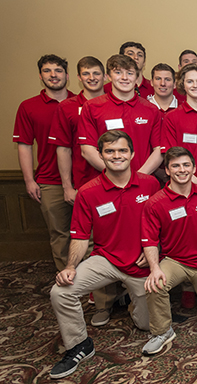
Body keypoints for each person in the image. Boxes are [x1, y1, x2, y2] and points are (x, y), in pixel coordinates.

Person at [49, 130, 160, 379]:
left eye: (122, 150)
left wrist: (154, 252)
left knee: (146, 325)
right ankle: (79, 345)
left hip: (141, 261)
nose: (116, 155)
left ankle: (129, 300)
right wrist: (70, 267)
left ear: (132, 154)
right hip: (106, 259)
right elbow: (79, 236)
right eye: (109, 151)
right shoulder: (88, 192)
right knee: (61, 291)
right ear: (101, 155)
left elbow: (162, 224)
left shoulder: (150, 184)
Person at [141, 147, 197, 355]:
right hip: (175, 261)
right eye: (175, 166)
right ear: (167, 170)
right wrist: (154, 268)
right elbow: (149, 240)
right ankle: (162, 332)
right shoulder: (155, 203)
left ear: (194, 168)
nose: (182, 170)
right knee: (155, 283)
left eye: (186, 165)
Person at [14, 54, 74, 271]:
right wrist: (29, 180)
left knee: (92, 236)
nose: (53, 75)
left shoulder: (81, 103)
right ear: (41, 76)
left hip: (83, 180)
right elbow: (24, 145)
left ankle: (93, 289)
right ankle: (68, 284)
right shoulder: (28, 107)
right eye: (47, 71)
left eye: (58, 70)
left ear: (67, 76)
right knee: (60, 236)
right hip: (50, 181)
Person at [78, 54, 163, 176]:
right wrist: (116, 175)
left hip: (142, 180)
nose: (124, 78)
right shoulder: (92, 107)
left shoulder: (151, 109)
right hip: (106, 180)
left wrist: (138, 176)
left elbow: (159, 149)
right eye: (118, 72)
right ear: (108, 77)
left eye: (130, 73)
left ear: (136, 77)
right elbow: (87, 150)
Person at [49, 56, 105, 207]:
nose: (92, 78)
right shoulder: (66, 107)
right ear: (79, 77)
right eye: (86, 74)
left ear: (105, 76)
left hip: (117, 181)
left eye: (96, 73)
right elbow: (63, 149)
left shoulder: (117, 105)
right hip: (83, 181)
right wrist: (67, 187)